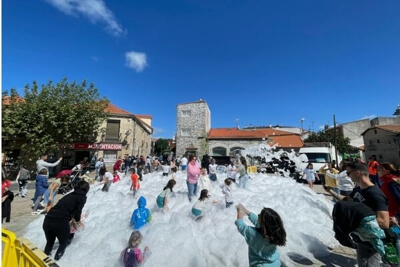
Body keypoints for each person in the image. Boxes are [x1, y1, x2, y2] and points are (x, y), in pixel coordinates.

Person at [325, 162, 389, 266]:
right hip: (361, 239)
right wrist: (332, 193)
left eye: (348, 173)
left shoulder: (374, 193)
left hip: (370, 242)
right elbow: (348, 200)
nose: (348, 175)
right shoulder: (358, 189)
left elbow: (384, 222)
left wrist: (358, 220)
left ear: (358, 173)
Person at [43, 180, 89, 260]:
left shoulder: (69, 195)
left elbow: (64, 208)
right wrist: (78, 222)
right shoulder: (82, 197)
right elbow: (78, 212)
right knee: (63, 243)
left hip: (48, 220)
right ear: (86, 189)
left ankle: (43, 260)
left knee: (50, 243)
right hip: (60, 222)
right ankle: (56, 261)